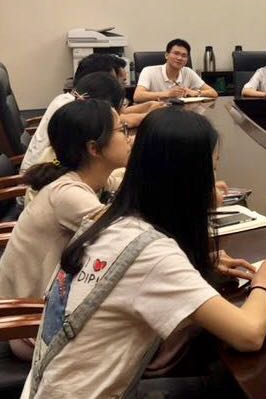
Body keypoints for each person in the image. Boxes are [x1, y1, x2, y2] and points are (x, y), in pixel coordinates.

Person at [21, 107, 266, 397]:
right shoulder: (152, 254)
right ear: (187, 181)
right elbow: (248, 334)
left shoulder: (107, 222)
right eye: (210, 170)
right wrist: (264, 285)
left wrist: (198, 266)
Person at [0, 98, 131, 301]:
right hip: (26, 311)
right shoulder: (68, 196)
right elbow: (129, 238)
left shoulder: (87, 179)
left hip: (54, 295)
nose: (129, 138)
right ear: (94, 149)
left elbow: (122, 180)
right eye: (122, 130)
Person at [21, 55, 160, 174]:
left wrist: (147, 108)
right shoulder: (75, 111)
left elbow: (118, 117)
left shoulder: (71, 99)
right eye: (113, 81)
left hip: (47, 171)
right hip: (42, 176)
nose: (116, 86)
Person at [133, 38, 218, 102]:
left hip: (182, 114)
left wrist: (195, 93)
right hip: (156, 114)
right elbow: (137, 96)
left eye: (184, 55)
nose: (179, 58)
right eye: (176, 53)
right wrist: (168, 94)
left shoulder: (188, 72)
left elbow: (213, 93)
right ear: (166, 55)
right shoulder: (149, 71)